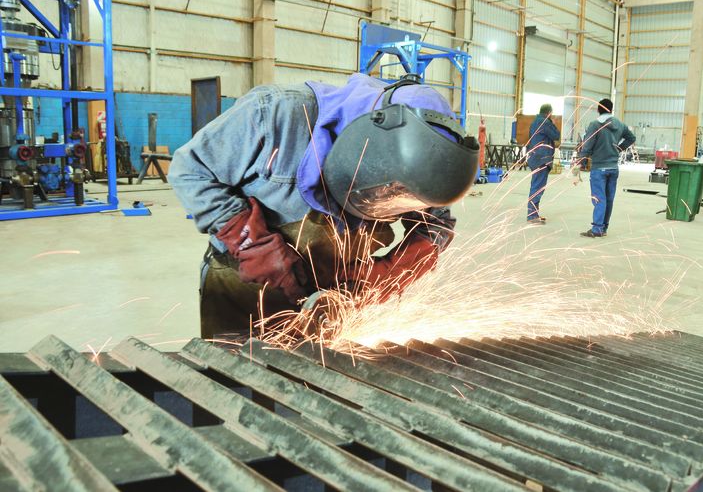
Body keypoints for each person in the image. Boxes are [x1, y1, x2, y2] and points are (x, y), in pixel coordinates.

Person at [169, 73, 479, 339]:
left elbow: (436, 225)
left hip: (330, 303)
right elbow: (190, 169)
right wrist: (253, 246)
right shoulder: (276, 115)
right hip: (245, 293)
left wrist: (389, 272)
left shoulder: (420, 168)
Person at [578, 98, 636, 238]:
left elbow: (587, 145)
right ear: (611, 109)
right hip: (613, 168)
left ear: (599, 109)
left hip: (599, 168)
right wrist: (620, 148)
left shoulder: (595, 124)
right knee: (609, 199)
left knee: (599, 198)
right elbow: (631, 138)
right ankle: (604, 228)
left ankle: (597, 228)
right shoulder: (620, 124)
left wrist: (582, 160)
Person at [526, 104, 560, 223]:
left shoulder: (535, 122)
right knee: (538, 187)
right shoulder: (546, 122)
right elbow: (556, 136)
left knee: (535, 185)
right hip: (541, 158)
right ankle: (532, 216)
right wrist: (553, 122)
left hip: (535, 157)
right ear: (549, 113)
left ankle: (533, 213)